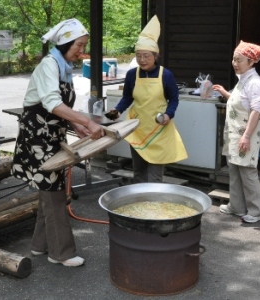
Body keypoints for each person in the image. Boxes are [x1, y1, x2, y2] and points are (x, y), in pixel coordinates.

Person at [11, 18, 104, 267]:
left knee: (49, 188)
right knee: (53, 191)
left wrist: (77, 125)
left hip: (52, 135)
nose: (81, 51)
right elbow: (52, 104)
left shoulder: (62, 66)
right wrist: (89, 122)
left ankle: (40, 245)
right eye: (79, 46)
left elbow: (60, 109)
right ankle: (61, 252)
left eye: (84, 45)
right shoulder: (49, 66)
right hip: (38, 137)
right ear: (64, 44)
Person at [111, 15, 187, 183]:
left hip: (159, 128)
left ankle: (154, 206)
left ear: (155, 56)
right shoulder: (132, 74)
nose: (142, 60)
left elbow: (174, 100)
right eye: (138, 56)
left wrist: (168, 114)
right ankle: (139, 205)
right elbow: (127, 98)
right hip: (137, 128)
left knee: (154, 176)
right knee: (138, 172)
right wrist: (117, 110)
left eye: (146, 56)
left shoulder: (165, 75)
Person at [213, 40, 260, 223]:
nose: (235, 63)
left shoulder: (255, 83)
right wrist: (224, 93)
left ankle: (257, 212)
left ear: (251, 63)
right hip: (234, 134)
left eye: (239, 60)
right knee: (234, 169)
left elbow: (256, 110)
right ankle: (236, 206)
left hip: (246, 134)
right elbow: (240, 102)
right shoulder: (243, 80)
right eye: (234, 59)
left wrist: (246, 136)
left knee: (247, 171)